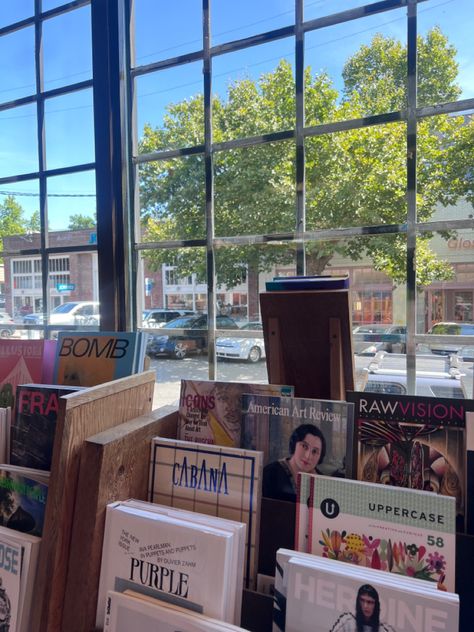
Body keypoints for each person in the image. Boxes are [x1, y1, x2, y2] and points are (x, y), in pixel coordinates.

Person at [262, 423, 326, 502]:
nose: (308, 456)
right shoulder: (270, 473)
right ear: (294, 444)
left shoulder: (323, 482)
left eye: (315, 451)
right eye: (304, 446)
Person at [329, 584, 395, 632]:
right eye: (362, 601)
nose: (365, 606)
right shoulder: (347, 621)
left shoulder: (385, 630)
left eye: (370, 602)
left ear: (376, 605)